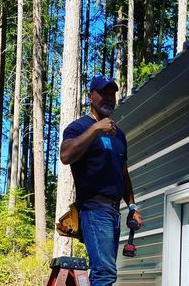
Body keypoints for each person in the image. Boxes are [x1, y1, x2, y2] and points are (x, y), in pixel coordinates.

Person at [60, 75, 143, 286]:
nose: (108, 98)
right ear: (90, 97)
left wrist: (132, 206)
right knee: (104, 274)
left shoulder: (119, 135)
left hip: (113, 212)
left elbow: (123, 174)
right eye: (102, 93)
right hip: (94, 208)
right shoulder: (79, 127)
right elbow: (65, 156)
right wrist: (95, 129)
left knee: (102, 273)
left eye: (111, 94)